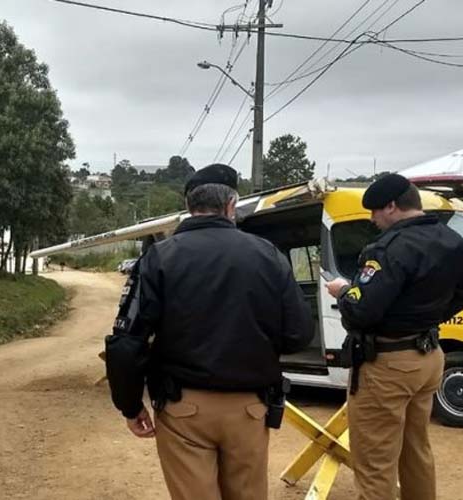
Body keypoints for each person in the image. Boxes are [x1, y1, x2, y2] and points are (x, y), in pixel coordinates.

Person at [105, 163, 314, 500]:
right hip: (250, 407)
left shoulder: (159, 258)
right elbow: (299, 334)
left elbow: (126, 343)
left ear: (189, 206)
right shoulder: (268, 256)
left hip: (184, 408)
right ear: (232, 205)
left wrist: (130, 406)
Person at [324, 174, 463, 500]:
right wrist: (427, 317)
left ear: (392, 206)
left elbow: (361, 310)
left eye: (375, 212)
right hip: (428, 355)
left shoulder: (387, 249)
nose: (373, 219)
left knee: (375, 462)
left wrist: (343, 293)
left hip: (388, 364)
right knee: (416, 449)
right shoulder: (450, 240)